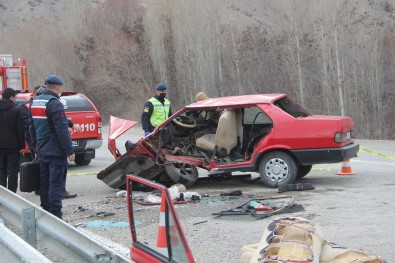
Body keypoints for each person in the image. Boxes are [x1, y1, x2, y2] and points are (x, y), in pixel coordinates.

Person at [30, 75, 75, 219]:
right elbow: (61, 129)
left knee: (44, 182)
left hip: (42, 149)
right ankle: (56, 214)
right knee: (57, 183)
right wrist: (69, 150)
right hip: (55, 150)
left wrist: (35, 148)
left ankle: (45, 210)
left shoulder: (36, 101)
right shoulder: (55, 103)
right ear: (58, 87)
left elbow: (32, 128)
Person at [0, 88, 25, 193]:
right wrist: (22, 146)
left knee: (1, 171)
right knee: (12, 171)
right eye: (15, 97)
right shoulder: (16, 109)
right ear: (11, 97)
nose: (16, 99)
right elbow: (20, 130)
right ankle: (12, 195)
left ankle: (2, 196)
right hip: (13, 146)